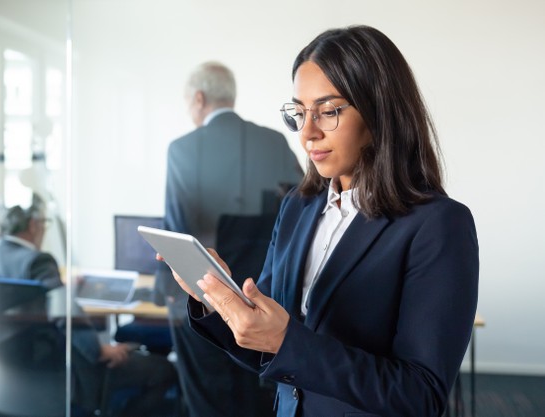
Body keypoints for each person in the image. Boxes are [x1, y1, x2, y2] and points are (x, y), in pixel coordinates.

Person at [167, 26, 479, 417]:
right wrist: (218, 301)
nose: (307, 134)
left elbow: (421, 396)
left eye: (328, 111)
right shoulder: (298, 208)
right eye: (299, 113)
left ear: (379, 111)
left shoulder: (438, 225)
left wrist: (287, 341)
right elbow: (268, 352)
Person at [153, 61, 303, 416]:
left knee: (206, 402)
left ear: (200, 98)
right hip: (264, 303)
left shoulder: (182, 150)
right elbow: (300, 212)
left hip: (205, 302)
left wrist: (166, 295)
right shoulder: (275, 141)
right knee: (254, 399)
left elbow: (177, 229)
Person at [0, 192, 177, 417]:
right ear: (33, 225)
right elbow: (64, 313)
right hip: (65, 370)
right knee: (164, 370)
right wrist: (99, 350)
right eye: (44, 223)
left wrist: (61, 287)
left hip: (13, 368)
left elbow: (26, 303)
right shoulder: (38, 261)